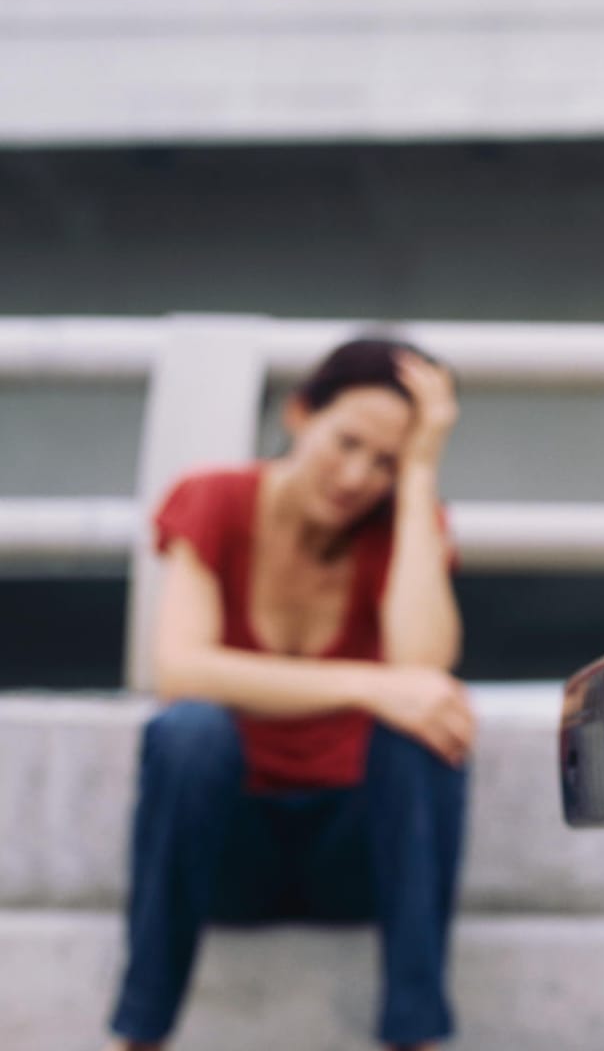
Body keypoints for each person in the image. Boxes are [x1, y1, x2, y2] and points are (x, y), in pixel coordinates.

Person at [105, 338, 472, 1051]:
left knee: (424, 729)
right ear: (301, 412)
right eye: (348, 443)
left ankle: (417, 1036)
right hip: (228, 849)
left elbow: (423, 668)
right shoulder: (215, 498)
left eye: (388, 462)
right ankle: (138, 1037)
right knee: (188, 732)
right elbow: (180, 671)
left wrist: (421, 474)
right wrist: (369, 685)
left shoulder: (403, 524)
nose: (358, 476)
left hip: (353, 853)